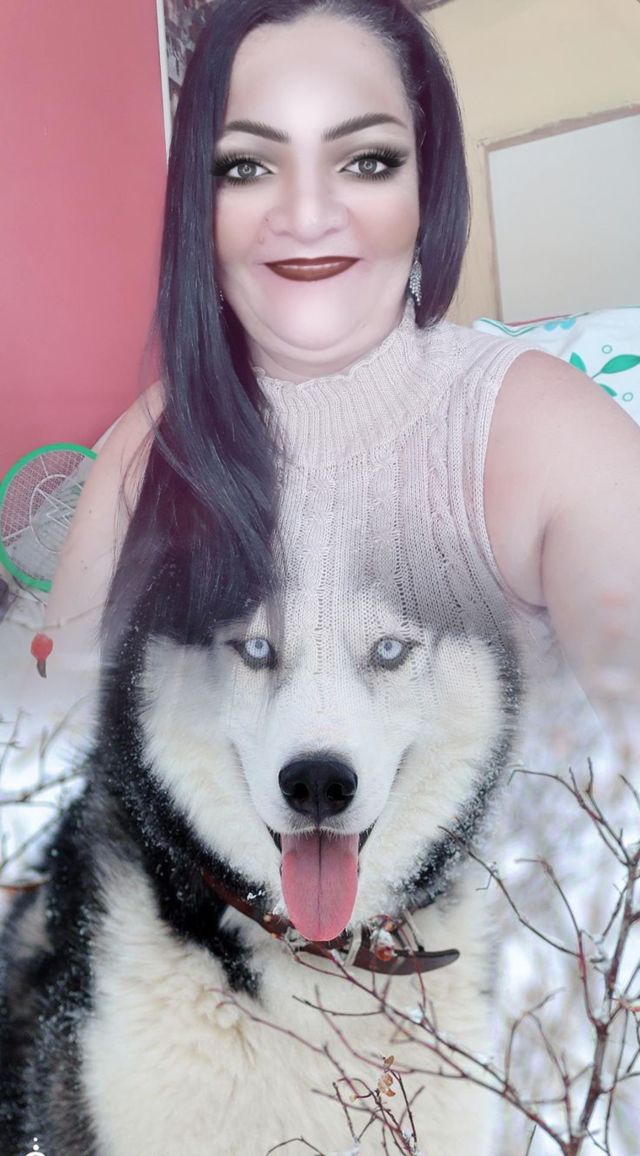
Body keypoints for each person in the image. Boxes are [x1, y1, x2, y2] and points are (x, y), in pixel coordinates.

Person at [37, 0, 640, 747]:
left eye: (367, 161)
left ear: (425, 188)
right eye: (247, 166)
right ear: (201, 205)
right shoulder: (146, 439)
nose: (307, 215)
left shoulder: (548, 429)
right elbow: (54, 740)